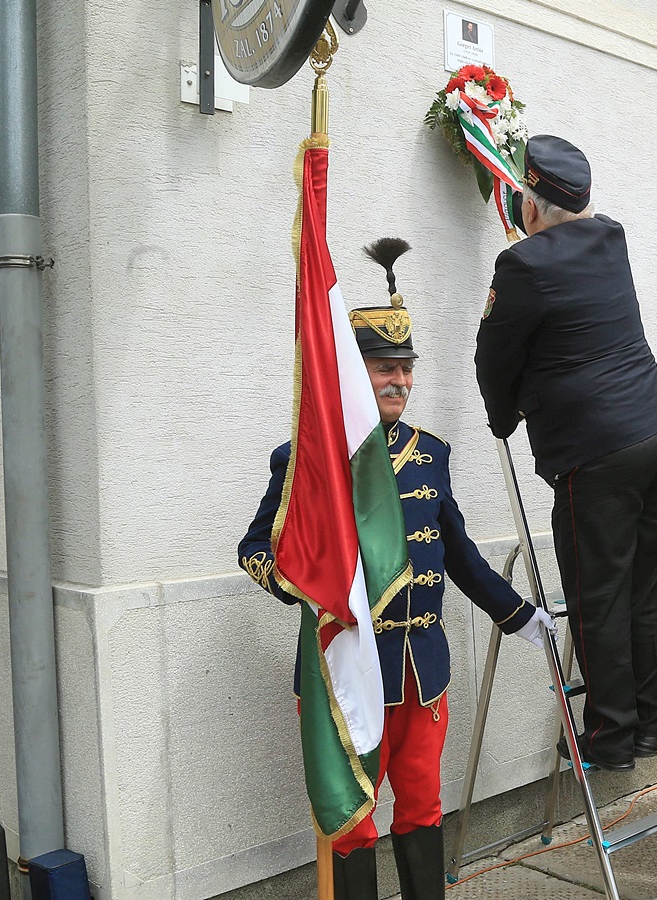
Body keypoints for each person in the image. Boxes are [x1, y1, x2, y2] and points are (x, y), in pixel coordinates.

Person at [239, 239, 553, 900]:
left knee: (421, 807)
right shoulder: (307, 459)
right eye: (384, 368)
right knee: (353, 821)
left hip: (421, 669)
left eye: (406, 370)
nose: (400, 382)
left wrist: (519, 614)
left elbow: (460, 552)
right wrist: (307, 591)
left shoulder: (431, 453)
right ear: (353, 373)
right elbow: (255, 550)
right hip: (348, 670)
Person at [476, 135, 657, 770]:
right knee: (646, 588)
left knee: (598, 595)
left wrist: (503, 417)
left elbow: (495, 358)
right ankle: (650, 723)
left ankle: (609, 738)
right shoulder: (612, 238)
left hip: (598, 453)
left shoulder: (524, 266)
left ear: (530, 204)